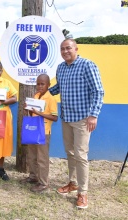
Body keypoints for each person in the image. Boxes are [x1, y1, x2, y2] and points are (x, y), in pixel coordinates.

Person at [49, 39, 104, 209]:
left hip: (82, 119)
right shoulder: (61, 68)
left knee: (81, 155)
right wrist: (42, 94)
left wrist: (93, 115)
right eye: (62, 49)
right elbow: (60, 87)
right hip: (66, 117)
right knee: (70, 152)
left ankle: (83, 193)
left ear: (76, 49)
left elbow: (98, 91)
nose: (65, 51)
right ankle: (72, 183)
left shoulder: (87, 65)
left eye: (68, 48)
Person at [20, 74, 58, 193]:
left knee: (42, 158)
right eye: (38, 84)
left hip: (44, 132)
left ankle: (43, 183)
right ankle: (33, 176)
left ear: (48, 85)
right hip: (33, 129)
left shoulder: (51, 99)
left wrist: (39, 112)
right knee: (32, 155)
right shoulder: (35, 96)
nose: (40, 86)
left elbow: (54, 117)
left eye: (42, 84)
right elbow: (33, 114)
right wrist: (29, 110)